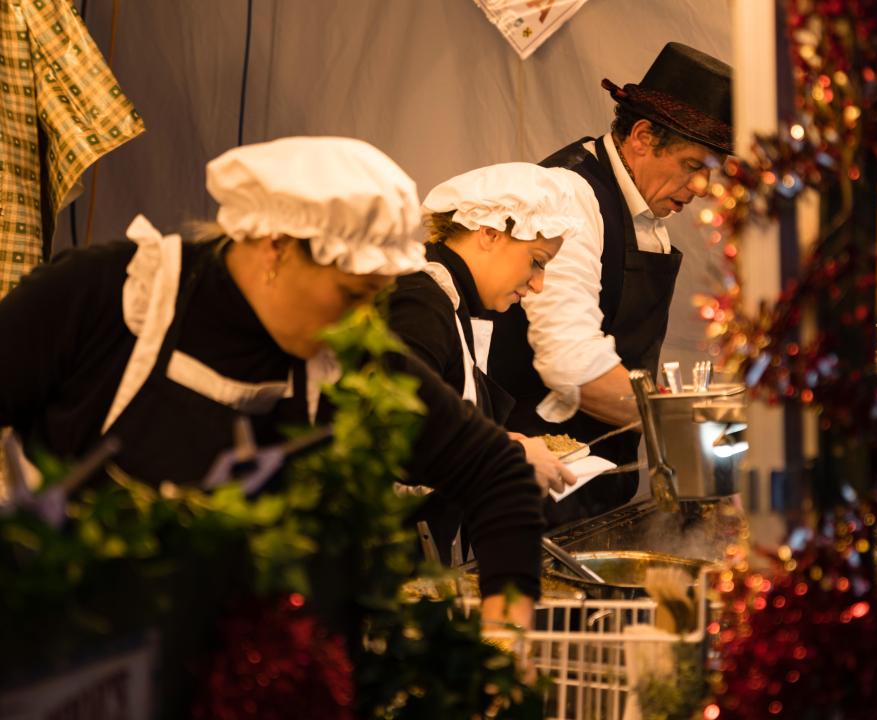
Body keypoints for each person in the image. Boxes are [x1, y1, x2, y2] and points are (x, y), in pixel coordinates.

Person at [0, 137, 544, 630]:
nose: (364, 322)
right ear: (275, 246)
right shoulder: (108, 297)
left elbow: (495, 470)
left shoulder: (341, 355)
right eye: (352, 294)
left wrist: (505, 636)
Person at [487, 42, 733, 527]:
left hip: (598, 479)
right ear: (642, 136)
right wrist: (693, 434)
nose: (704, 188)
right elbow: (573, 366)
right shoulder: (570, 197)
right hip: (542, 485)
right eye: (693, 167)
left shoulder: (642, 205)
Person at [387, 163, 587, 560]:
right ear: (490, 233)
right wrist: (507, 454)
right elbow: (401, 429)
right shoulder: (418, 301)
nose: (538, 284)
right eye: (537, 260)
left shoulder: (448, 298)